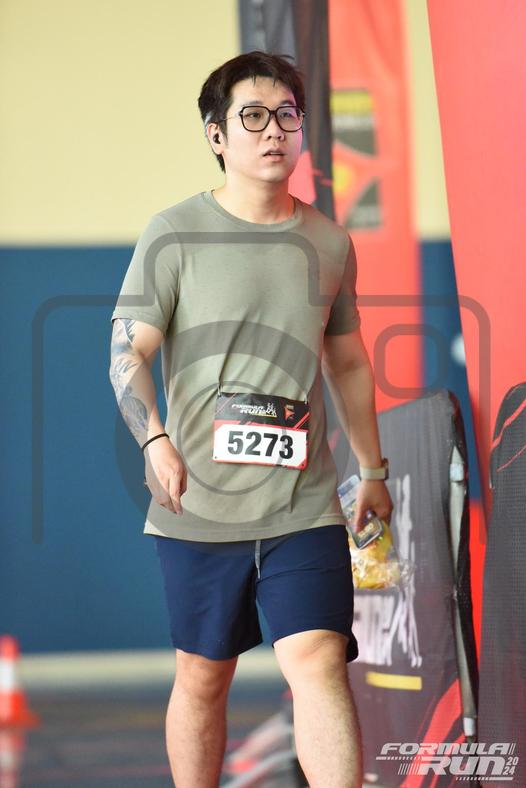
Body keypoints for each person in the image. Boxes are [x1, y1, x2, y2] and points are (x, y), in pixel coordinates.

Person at [109, 50, 392, 788]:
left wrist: (372, 469)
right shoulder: (173, 233)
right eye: (254, 117)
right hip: (199, 506)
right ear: (217, 134)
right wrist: (155, 438)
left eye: (287, 116)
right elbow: (128, 352)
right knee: (204, 676)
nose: (274, 132)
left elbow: (348, 362)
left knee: (319, 660)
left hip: (304, 504)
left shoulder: (329, 242)